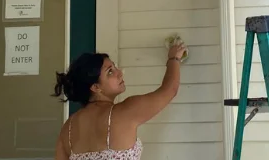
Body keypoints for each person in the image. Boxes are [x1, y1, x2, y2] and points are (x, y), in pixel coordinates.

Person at [53, 40, 186, 160]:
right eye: (110, 72)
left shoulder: (68, 128)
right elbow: (169, 91)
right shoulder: (124, 112)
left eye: (115, 67)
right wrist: (173, 58)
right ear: (95, 87)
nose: (120, 73)